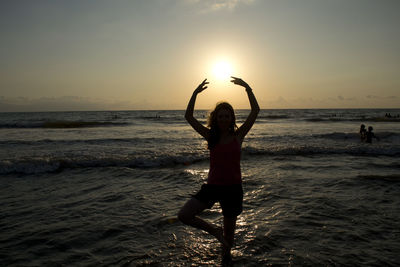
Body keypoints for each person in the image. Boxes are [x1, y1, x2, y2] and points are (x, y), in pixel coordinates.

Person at [178, 77, 259, 265]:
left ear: (231, 118)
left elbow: (255, 111)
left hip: (233, 189)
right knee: (184, 215)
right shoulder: (210, 136)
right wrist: (195, 93)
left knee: (229, 239)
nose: (223, 119)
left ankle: (226, 259)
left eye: (227, 116)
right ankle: (214, 231)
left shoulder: (238, 136)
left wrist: (247, 88)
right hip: (212, 187)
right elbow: (188, 117)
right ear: (216, 118)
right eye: (220, 116)